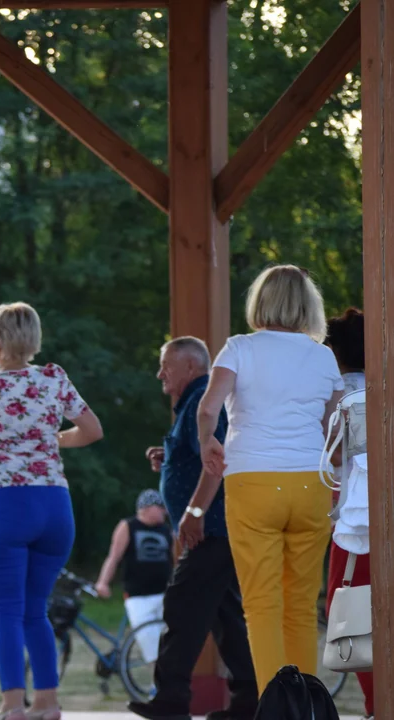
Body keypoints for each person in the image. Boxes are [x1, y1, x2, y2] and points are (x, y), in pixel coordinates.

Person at [197, 265, 342, 691]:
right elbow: (334, 425)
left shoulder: (239, 348)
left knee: (261, 604)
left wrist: (208, 441)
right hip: (310, 484)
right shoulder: (323, 355)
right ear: (307, 305)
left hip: (253, 480)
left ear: (260, 301)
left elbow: (208, 408)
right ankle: (306, 706)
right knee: (299, 604)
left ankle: (275, 704)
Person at [0, 301, 103, 720]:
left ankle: (12, 705)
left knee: (4, 611)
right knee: (35, 610)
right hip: (53, 506)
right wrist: (50, 440)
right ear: (34, 341)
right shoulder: (53, 378)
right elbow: (93, 430)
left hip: (3, 504)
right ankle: (47, 704)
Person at [127, 337, 257, 720]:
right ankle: (249, 701)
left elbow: (218, 459)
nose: (160, 373)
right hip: (218, 530)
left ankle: (170, 700)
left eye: (166, 365)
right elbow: (197, 453)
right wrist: (168, 458)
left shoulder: (204, 402)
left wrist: (195, 511)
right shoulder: (191, 405)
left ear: (191, 366)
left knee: (181, 606)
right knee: (225, 615)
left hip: (212, 528)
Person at [323, 308, 373, 719]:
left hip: (356, 522)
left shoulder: (340, 391)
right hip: (368, 516)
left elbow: (337, 452)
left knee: (349, 617)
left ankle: (377, 703)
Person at [94, 489, 172, 664]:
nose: (164, 512)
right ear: (147, 508)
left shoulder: (166, 530)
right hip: (138, 596)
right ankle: (158, 686)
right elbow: (114, 557)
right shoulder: (129, 526)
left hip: (164, 593)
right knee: (150, 644)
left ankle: (166, 685)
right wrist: (103, 582)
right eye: (160, 507)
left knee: (169, 643)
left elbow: (175, 560)